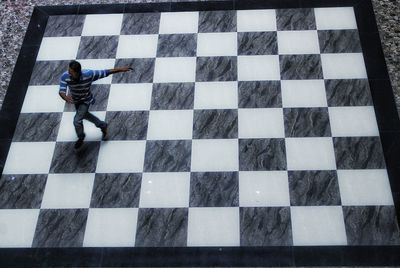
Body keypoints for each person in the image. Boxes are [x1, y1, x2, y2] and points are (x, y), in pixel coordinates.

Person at [59, 60, 132, 149]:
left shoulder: (89, 74)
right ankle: (103, 125)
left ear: (78, 72)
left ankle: (81, 137)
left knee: (77, 120)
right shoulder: (65, 76)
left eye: (71, 72)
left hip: (85, 101)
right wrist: (65, 97)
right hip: (76, 101)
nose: (69, 74)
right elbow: (61, 90)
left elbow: (106, 72)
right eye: (69, 71)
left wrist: (121, 69)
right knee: (85, 115)